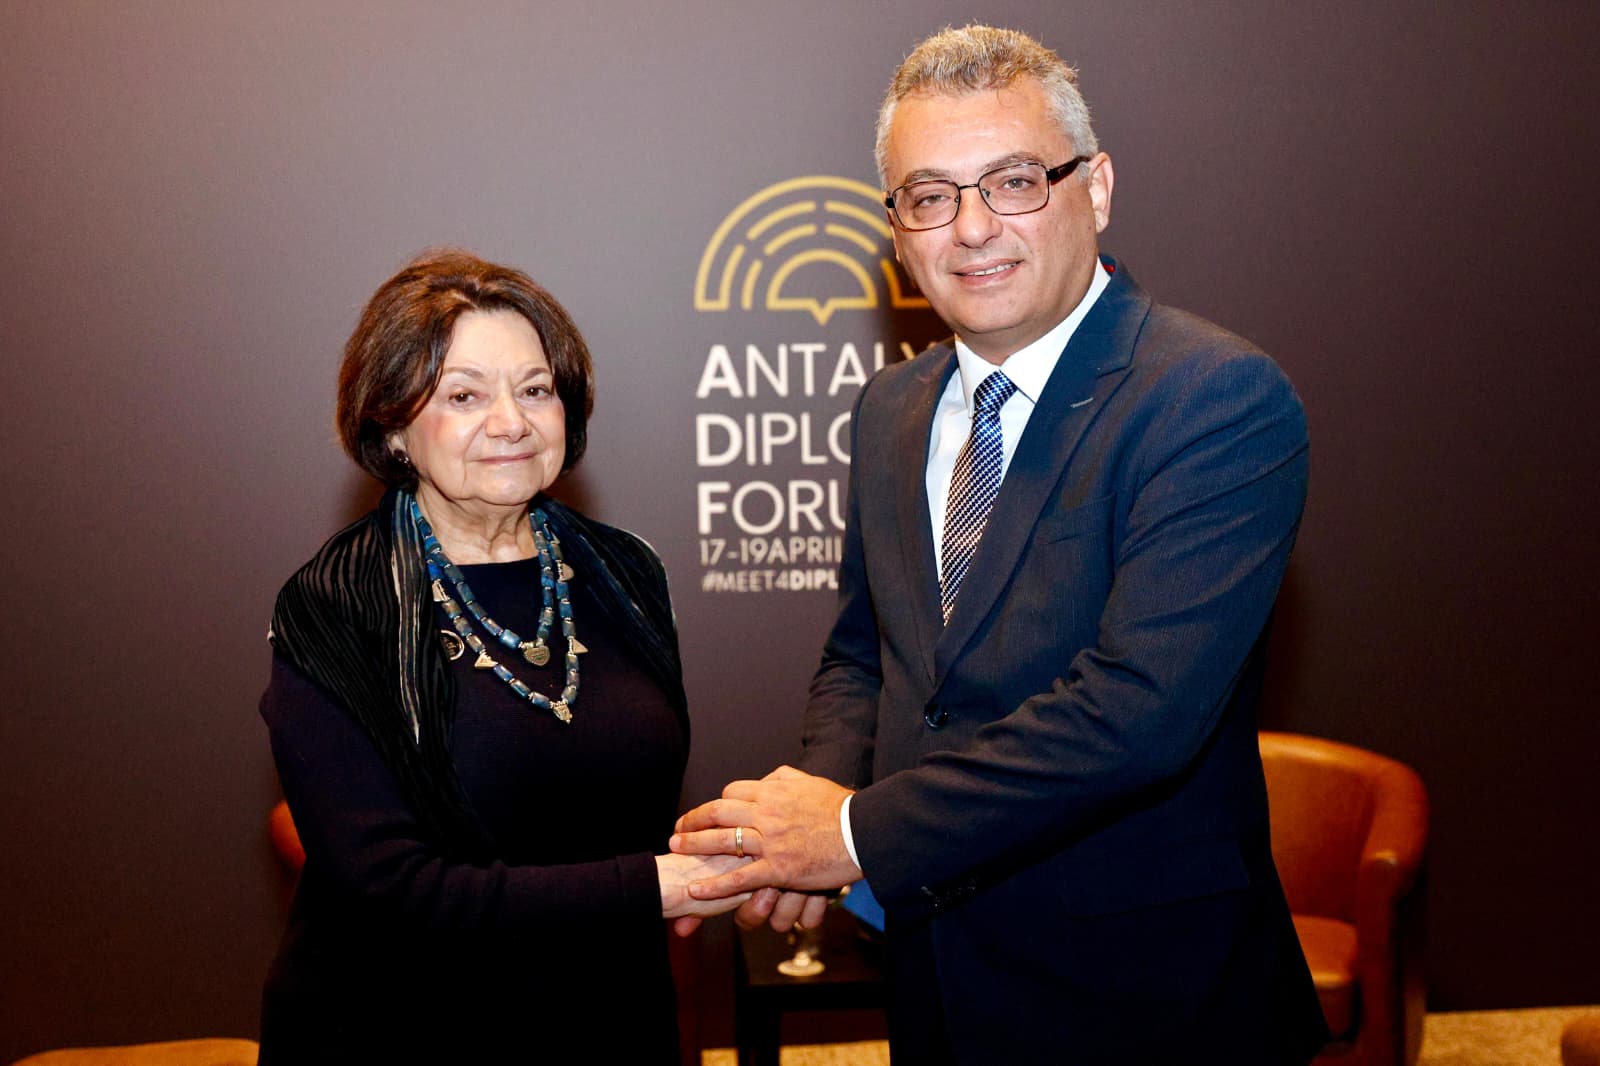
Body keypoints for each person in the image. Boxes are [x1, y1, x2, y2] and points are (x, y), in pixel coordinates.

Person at [671, 25, 1329, 1065]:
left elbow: (1135, 713)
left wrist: (849, 834)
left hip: (1148, 998)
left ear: (1095, 188)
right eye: (930, 196)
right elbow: (866, 655)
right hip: (934, 968)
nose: (972, 227)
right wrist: (807, 824)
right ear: (896, 229)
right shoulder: (889, 407)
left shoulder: (1213, 396)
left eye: (1014, 181)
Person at [259, 249, 746, 1063]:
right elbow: (387, 890)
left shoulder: (624, 571)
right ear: (393, 427)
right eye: (464, 395)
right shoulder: (336, 608)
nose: (511, 421)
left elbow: (634, 808)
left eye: (535, 389)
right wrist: (648, 887)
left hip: (612, 1022)